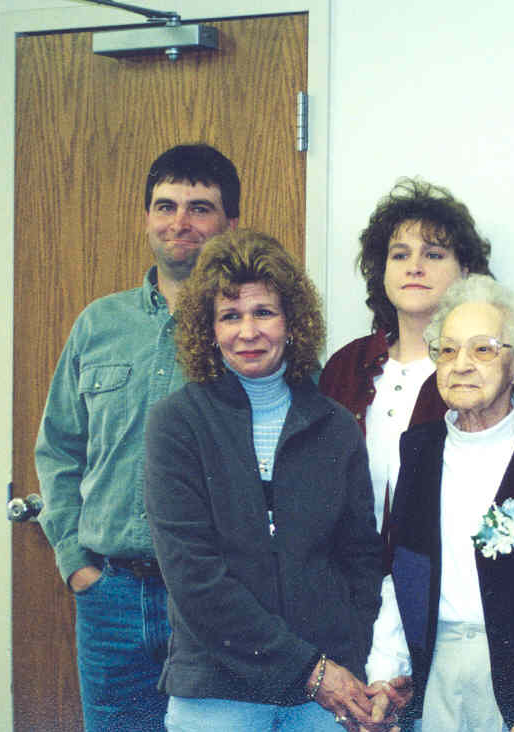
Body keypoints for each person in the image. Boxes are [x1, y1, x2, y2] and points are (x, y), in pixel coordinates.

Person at [143, 230, 385, 731]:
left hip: (325, 693)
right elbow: (193, 576)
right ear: (209, 329)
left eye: (264, 312)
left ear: (293, 322)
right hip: (218, 689)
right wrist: (309, 670)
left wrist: (351, 662)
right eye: (230, 316)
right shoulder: (177, 423)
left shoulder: (336, 426)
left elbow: (361, 561)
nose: (247, 331)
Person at [34, 143, 240, 731]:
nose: (180, 222)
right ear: (147, 218)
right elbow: (59, 449)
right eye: (165, 206)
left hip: (212, 599)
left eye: (200, 208)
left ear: (230, 223)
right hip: (110, 600)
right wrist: (76, 562)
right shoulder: (99, 324)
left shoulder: (253, 327)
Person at [364, 275, 514, 732]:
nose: (461, 365)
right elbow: (401, 575)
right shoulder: (417, 449)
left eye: (483, 349)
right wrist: (384, 673)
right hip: (439, 676)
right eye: (448, 349)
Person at [320, 177, 514, 536]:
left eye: (434, 254)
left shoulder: (510, 371)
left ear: (465, 270)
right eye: (400, 255)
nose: (414, 267)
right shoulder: (345, 368)